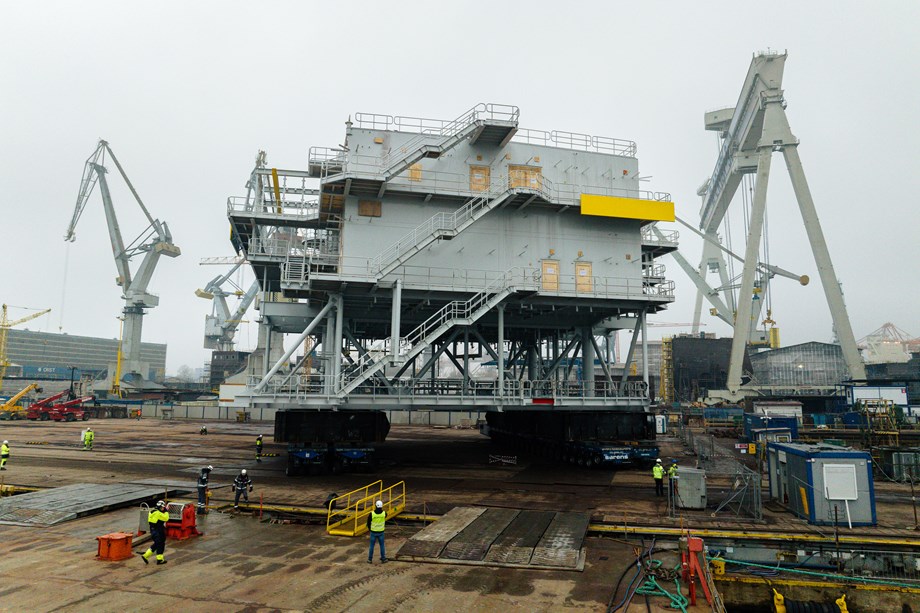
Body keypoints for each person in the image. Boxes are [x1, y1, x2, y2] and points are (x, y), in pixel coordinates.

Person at [140, 500, 170, 565]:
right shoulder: (158, 513)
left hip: (153, 530)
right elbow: (166, 518)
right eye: (162, 507)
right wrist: (166, 511)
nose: (163, 509)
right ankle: (159, 560)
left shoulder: (152, 511)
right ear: (160, 507)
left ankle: (145, 555)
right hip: (158, 530)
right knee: (160, 544)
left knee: (157, 544)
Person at [366, 500, 388, 564]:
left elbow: (368, 522)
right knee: (382, 545)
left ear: (375, 505)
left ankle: (370, 559)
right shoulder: (384, 513)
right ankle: (383, 558)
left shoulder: (372, 514)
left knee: (371, 546)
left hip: (373, 532)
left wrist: (370, 529)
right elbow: (385, 516)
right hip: (381, 532)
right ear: (381, 506)